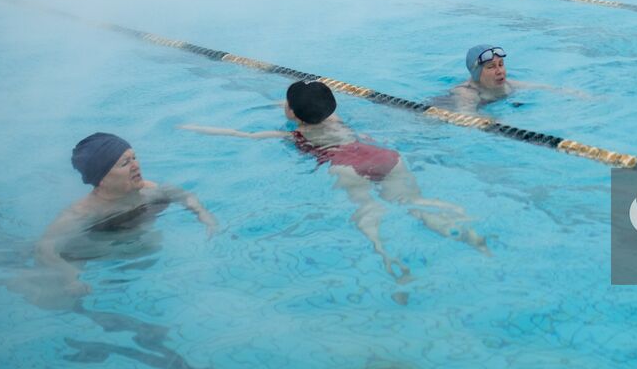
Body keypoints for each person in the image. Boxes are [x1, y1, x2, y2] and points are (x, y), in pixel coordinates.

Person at [180, 80, 486, 281]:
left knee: (369, 214)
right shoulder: (335, 119)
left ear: (296, 115)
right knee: (416, 204)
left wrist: (194, 127)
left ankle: (387, 255)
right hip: (381, 155)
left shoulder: (294, 133)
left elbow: (242, 134)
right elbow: (310, 107)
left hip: (345, 166)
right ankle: (469, 233)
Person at [35, 133, 217, 297]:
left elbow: (181, 195)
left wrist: (203, 214)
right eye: (125, 163)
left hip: (139, 262)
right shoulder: (82, 214)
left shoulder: (147, 190)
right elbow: (44, 249)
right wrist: (70, 280)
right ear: (102, 178)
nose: (136, 165)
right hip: (100, 265)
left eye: (134, 158)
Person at [445, 44, 575, 112]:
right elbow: (467, 116)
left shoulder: (508, 84)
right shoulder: (467, 92)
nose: (499, 71)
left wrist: (573, 93)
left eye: (501, 64)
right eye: (491, 67)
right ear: (476, 73)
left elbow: (542, 87)